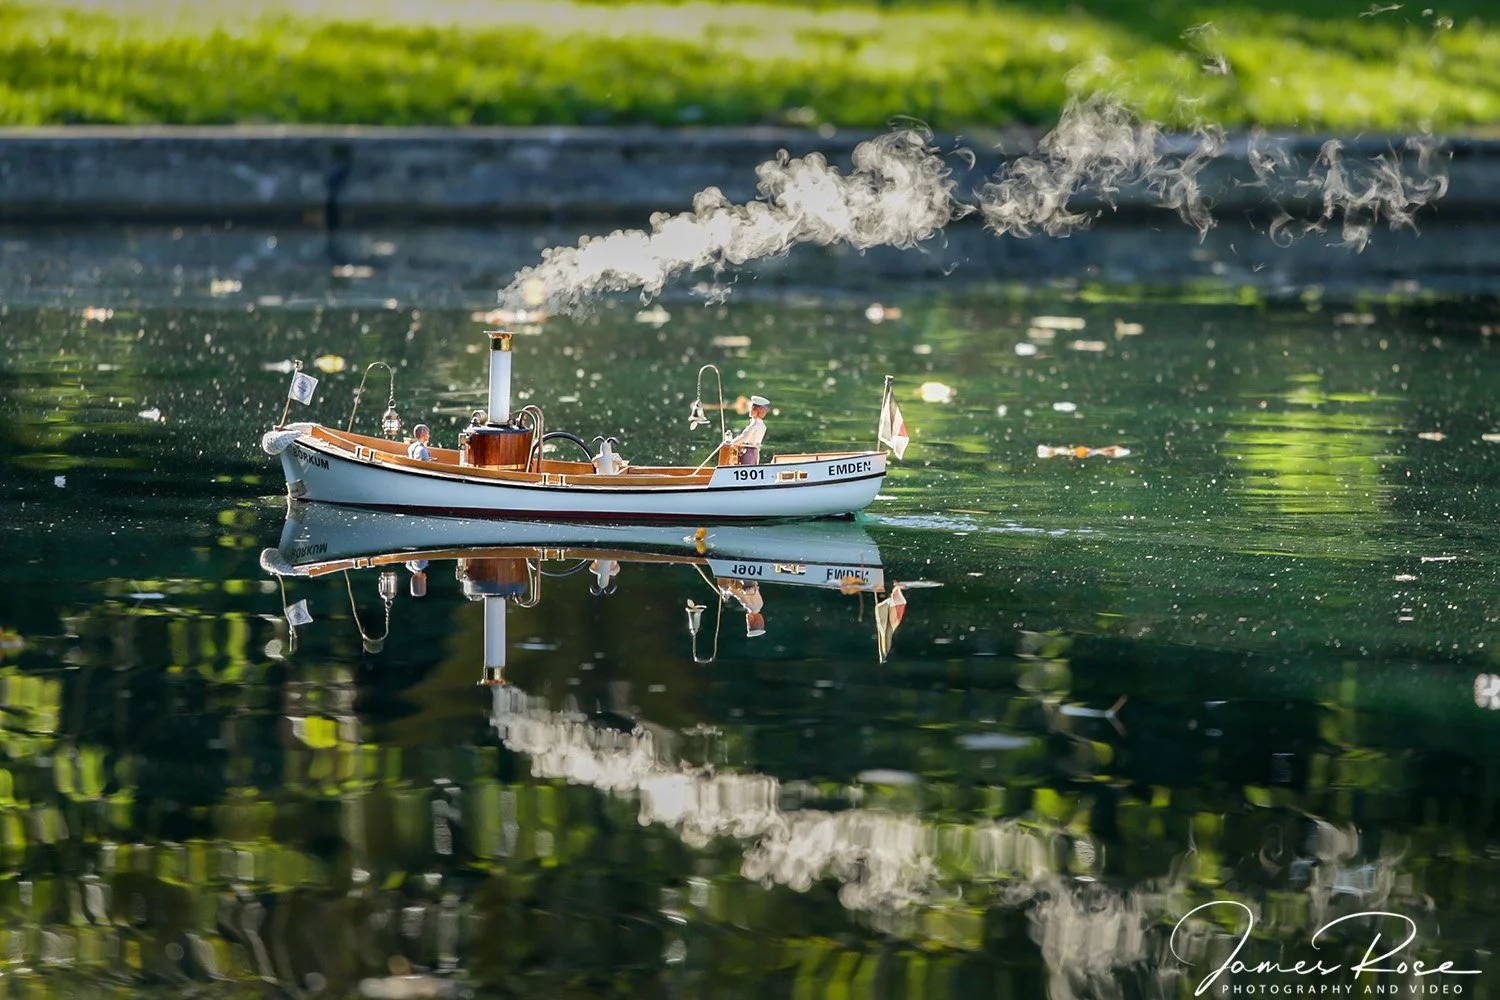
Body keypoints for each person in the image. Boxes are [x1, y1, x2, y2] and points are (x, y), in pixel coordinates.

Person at [729, 395, 769, 465]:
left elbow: (743, 437)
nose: (750, 410)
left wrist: (731, 443)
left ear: (756, 410)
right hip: (756, 452)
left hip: (749, 452)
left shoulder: (754, 425)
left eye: (752, 408)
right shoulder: (763, 426)